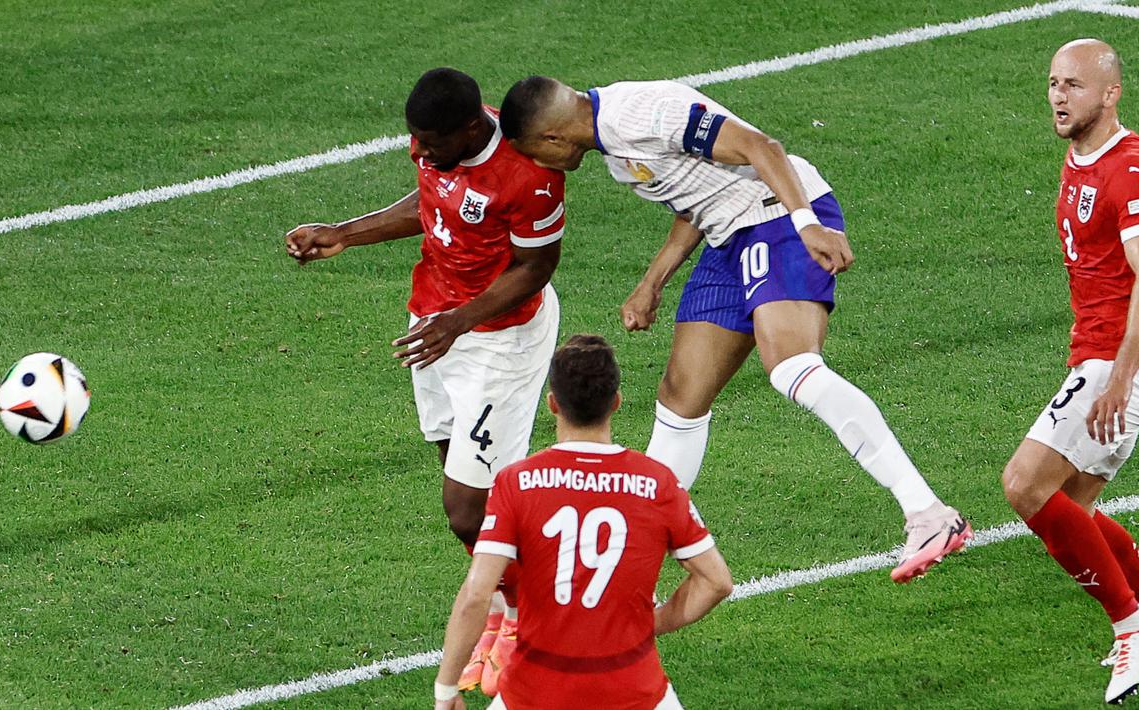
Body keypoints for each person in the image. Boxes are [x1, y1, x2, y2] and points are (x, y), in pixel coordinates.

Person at [497, 76, 970, 583]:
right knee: (680, 397)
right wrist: (653, 281)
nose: (542, 167)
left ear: (551, 139)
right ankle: (634, 564)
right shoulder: (614, 149)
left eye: (535, 155)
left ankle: (929, 515)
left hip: (774, 215)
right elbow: (698, 198)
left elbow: (757, 146)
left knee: (792, 369)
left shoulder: (637, 114)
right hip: (729, 236)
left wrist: (805, 222)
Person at [285, 67, 567, 694]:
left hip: (500, 339)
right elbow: (430, 203)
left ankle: (530, 621)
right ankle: (497, 608)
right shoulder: (438, 142)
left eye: (431, 141)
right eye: (414, 138)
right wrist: (344, 233)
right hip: (434, 321)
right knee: (457, 472)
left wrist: (459, 323)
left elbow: (536, 266)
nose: (420, 150)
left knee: (466, 509)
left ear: (470, 128)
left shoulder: (529, 174)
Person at [999, 39, 1139, 705]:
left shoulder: (1129, 170)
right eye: (1053, 82)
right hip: (1113, 355)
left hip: (1118, 363)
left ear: (1109, 94)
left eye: (1074, 86)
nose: (1058, 96)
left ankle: (1131, 628)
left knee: (1025, 487)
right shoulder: (1080, 158)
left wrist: (1125, 378)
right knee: (1075, 509)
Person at [433, 334, 733, 709]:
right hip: (636, 692)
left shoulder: (516, 483)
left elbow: (477, 594)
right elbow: (716, 581)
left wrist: (446, 690)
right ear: (617, 403)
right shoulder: (658, 483)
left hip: (534, 694)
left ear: (553, 404)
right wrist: (652, 624)